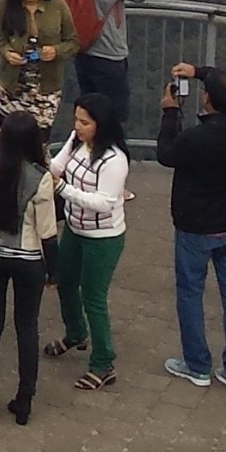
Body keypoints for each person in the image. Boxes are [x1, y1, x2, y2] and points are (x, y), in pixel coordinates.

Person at [158, 63, 226, 392]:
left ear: (208, 102)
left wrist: (170, 113)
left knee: (190, 293)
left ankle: (198, 366)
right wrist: (202, 72)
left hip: (196, 227)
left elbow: (165, 154)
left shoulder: (195, 138)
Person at [0, 108, 58, 424]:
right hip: (28, 258)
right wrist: (53, 271)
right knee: (26, 326)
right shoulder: (39, 178)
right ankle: (24, 400)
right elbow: (47, 231)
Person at [46, 91, 129, 390]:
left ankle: (104, 362)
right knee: (65, 282)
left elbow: (105, 201)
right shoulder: (77, 142)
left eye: (85, 122)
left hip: (103, 237)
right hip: (75, 228)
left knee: (94, 297)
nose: (78, 126)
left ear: (101, 124)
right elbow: (56, 166)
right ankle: (76, 333)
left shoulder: (114, 160)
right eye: (77, 120)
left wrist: (63, 189)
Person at [0, 0, 80, 134]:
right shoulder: (5, 3)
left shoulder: (58, 6)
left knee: (39, 141)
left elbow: (73, 42)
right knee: (10, 140)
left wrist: (55, 51)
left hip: (46, 88)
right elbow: (1, 38)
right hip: (12, 86)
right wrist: (7, 53)